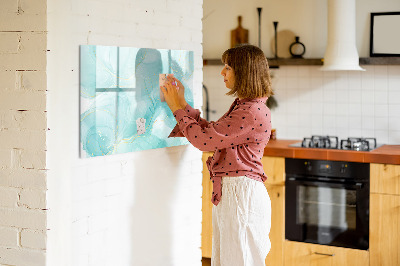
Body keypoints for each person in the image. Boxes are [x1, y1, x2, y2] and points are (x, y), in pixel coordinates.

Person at [161, 44, 273, 266]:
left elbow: (204, 141)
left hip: (241, 195)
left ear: (244, 72)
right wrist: (182, 104)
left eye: (228, 67)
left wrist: (176, 108)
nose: (222, 72)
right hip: (236, 193)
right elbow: (212, 133)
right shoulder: (246, 106)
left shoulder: (250, 111)